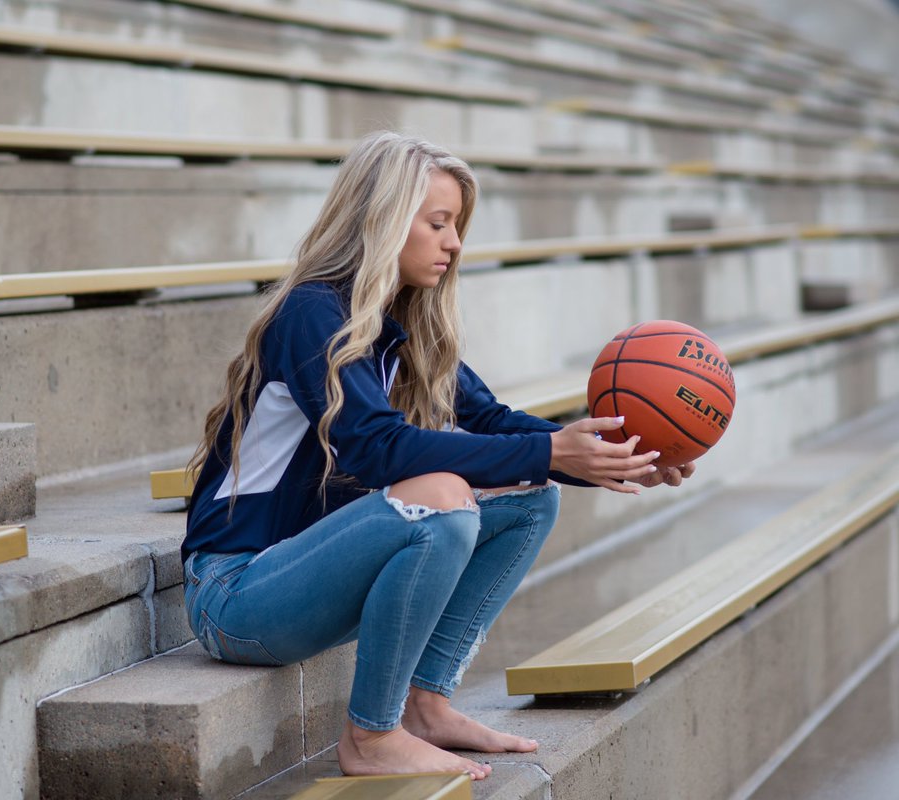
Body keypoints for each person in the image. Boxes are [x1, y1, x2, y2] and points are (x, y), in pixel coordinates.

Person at [181, 131, 695, 780]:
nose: (454, 242)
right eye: (439, 223)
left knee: (530, 498)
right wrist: (547, 449)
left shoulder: (407, 327)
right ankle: (370, 737)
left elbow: (497, 426)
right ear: (385, 220)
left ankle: (426, 700)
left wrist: (627, 457)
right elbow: (373, 447)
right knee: (442, 497)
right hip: (236, 591)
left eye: (457, 226)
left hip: (308, 577)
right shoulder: (311, 312)